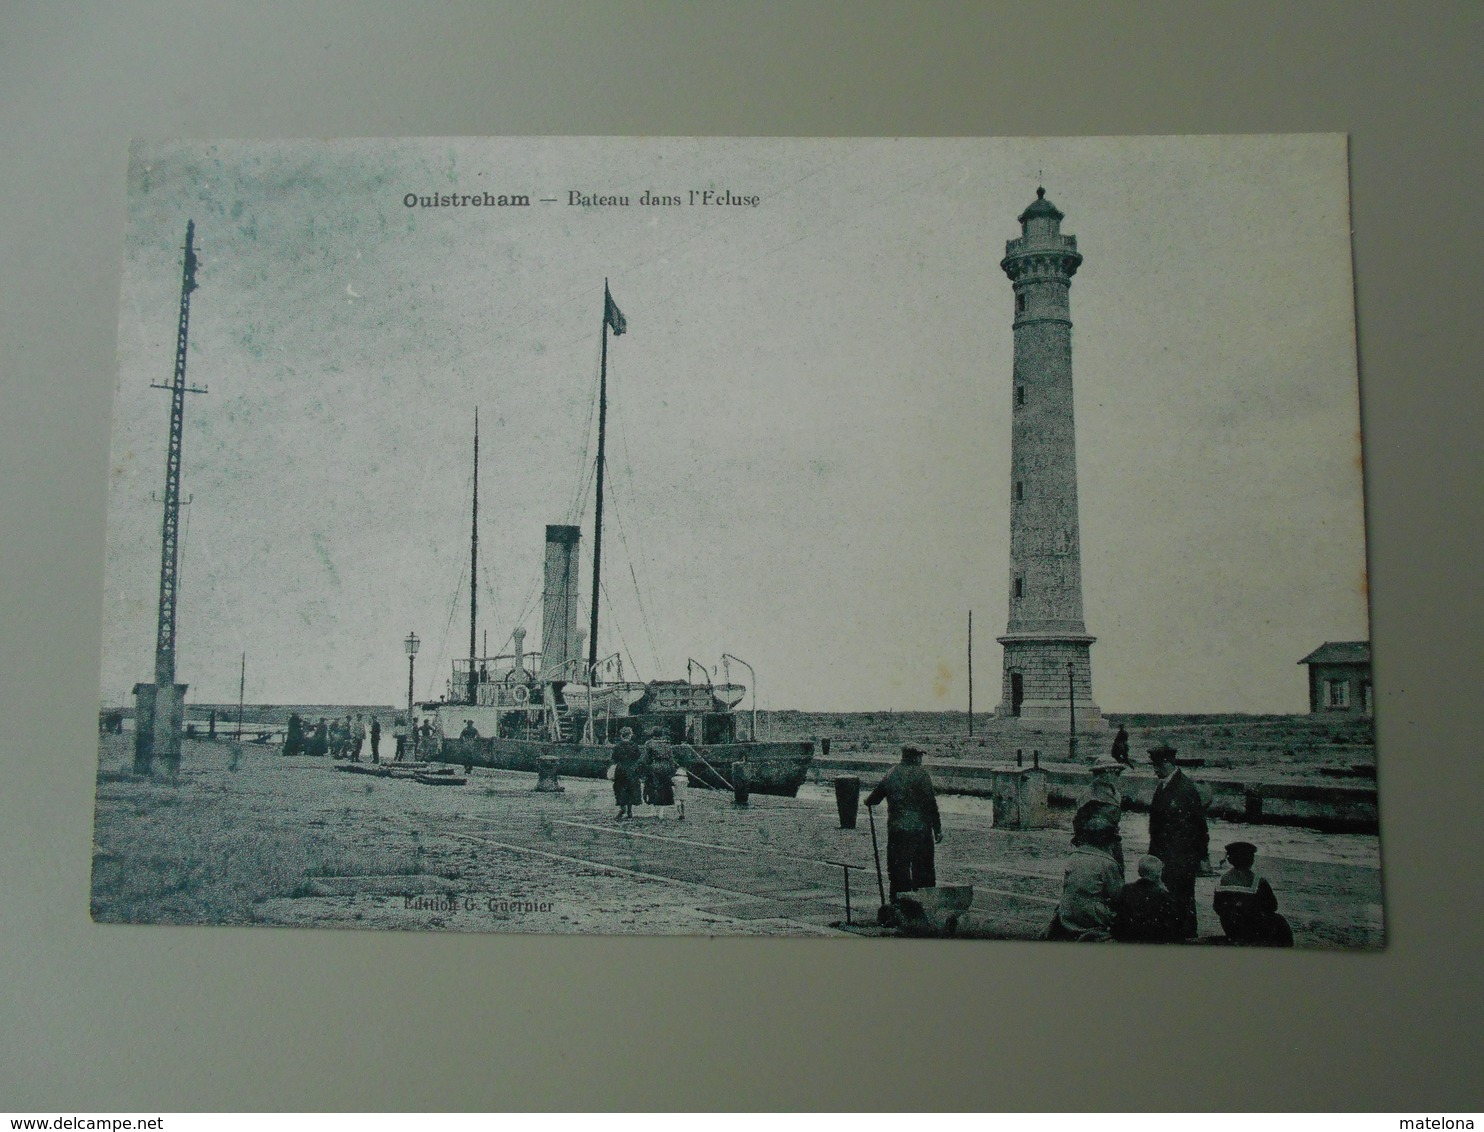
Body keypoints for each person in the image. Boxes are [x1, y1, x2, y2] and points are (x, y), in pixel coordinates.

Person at [1146, 742, 1209, 939]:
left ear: (1167, 764)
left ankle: (1185, 935)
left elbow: (1199, 827)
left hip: (1181, 858)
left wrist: (1201, 856)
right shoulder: (1164, 786)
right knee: (1170, 898)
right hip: (1165, 856)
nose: (1155, 770)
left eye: (1157, 766)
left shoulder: (1185, 789)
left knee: (1181, 898)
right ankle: (1176, 933)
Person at [864, 745, 943, 899]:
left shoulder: (891, 773)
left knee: (898, 870)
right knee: (923, 871)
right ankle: (924, 905)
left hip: (897, 830)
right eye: (920, 756)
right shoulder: (922, 775)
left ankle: (899, 906)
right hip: (921, 831)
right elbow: (931, 804)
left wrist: (867, 801)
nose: (921, 759)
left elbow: (875, 797)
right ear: (914, 757)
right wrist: (937, 829)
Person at [1046, 813, 1124, 941]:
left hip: (1067, 913)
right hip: (1090, 917)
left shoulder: (1074, 856)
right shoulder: (1107, 863)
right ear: (1108, 841)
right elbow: (1118, 896)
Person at [1213, 841, 1294, 946]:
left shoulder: (1221, 881)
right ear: (1251, 860)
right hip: (1252, 930)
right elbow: (1273, 906)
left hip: (1230, 929)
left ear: (1230, 860)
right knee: (1279, 920)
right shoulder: (1258, 881)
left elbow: (1217, 907)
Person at [1112, 855, 1184, 943]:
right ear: (1159, 873)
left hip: (1129, 934)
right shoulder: (1161, 893)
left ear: (1139, 872)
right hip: (1152, 935)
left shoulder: (1127, 888)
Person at [1072, 755, 1127, 868]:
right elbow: (1079, 821)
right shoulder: (1090, 793)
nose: (1108, 775)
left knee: (1117, 870)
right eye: (1104, 772)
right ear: (1098, 773)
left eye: (1112, 771)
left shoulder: (1115, 791)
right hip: (1096, 841)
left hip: (1113, 839)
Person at [611, 726, 642, 820]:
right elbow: (638, 757)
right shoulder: (635, 746)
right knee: (631, 788)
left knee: (620, 789)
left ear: (621, 735)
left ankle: (622, 808)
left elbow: (614, 759)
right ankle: (629, 810)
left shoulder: (617, 746)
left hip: (621, 769)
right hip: (632, 769)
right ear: (630, 735)